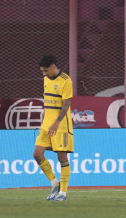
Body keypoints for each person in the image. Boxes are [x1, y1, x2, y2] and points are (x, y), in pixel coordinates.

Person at [33, 55, 74, 201]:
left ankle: (63, 193)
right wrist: (44, 121)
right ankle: (54, 183)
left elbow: (66, 104)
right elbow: (47, 102)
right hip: (46, 124)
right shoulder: (46, 79)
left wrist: (56, 122)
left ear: (53, 67)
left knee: (62, 157)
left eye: (45, 71)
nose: (43, 74)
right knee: (37, 154)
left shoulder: (65, 80)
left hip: (61, 124)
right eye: (42, 71)